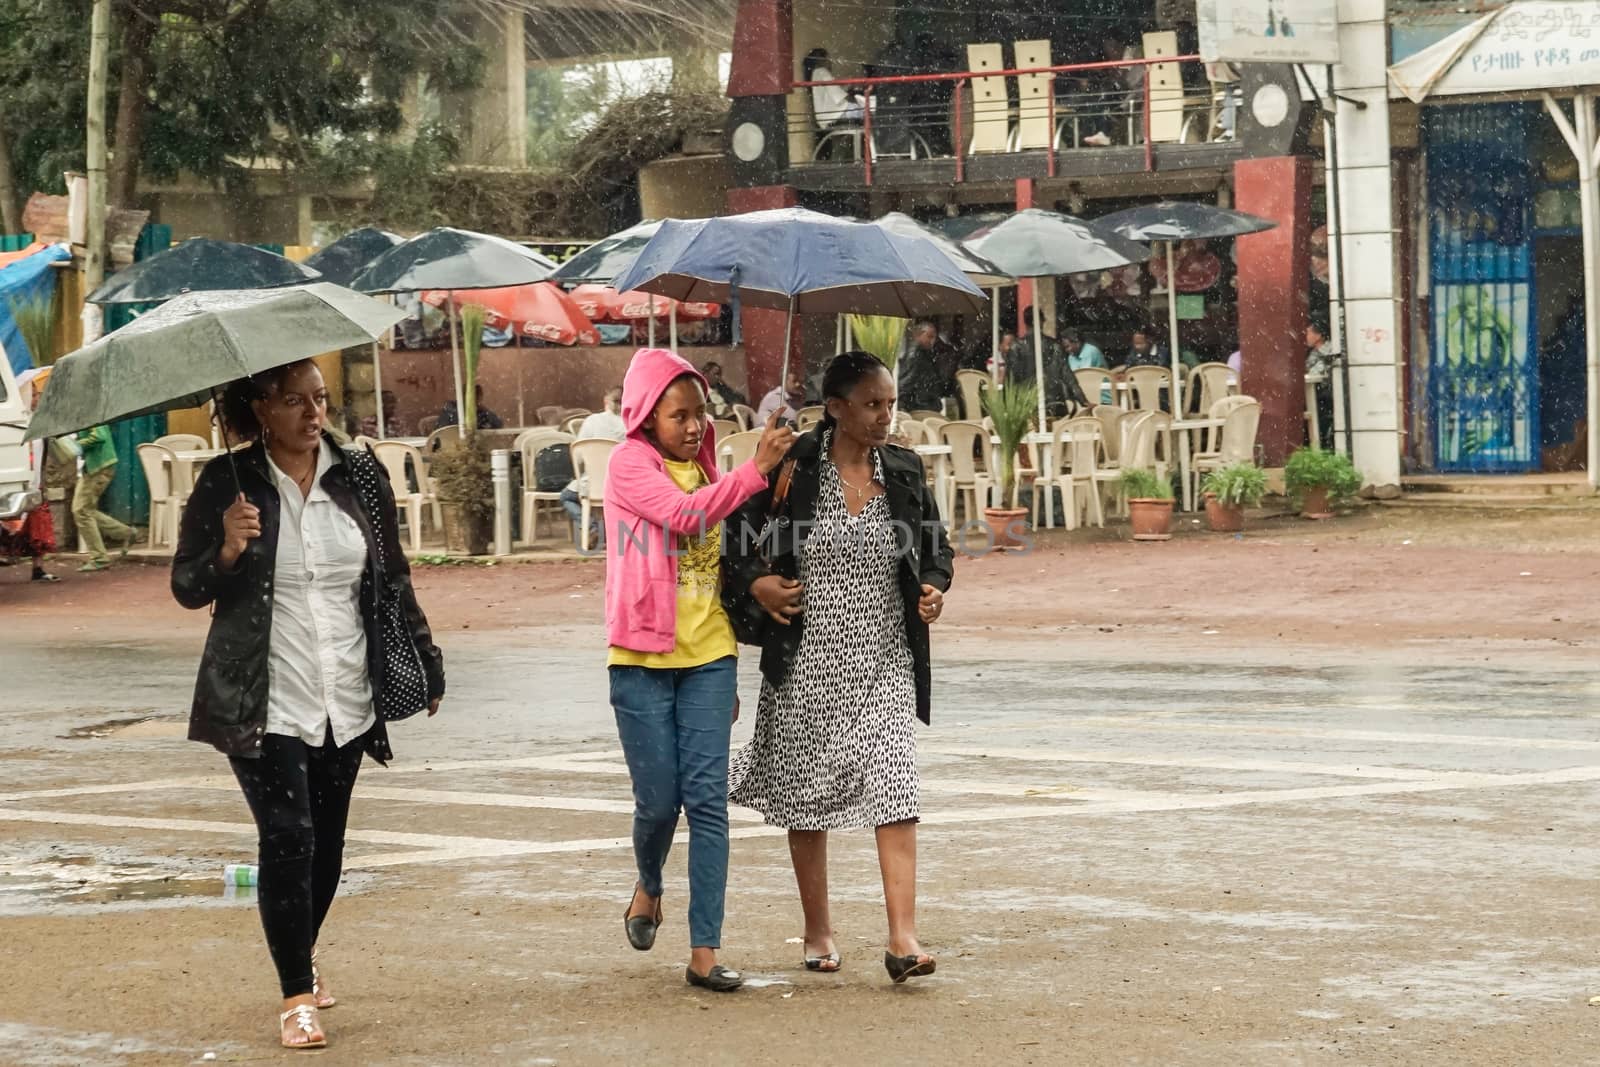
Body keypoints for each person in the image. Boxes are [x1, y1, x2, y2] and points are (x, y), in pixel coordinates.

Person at [171, 358, 445, 1051]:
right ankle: (296, 995)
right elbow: (187, 586)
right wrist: (228, 549)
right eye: (293, 400)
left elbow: (392, 576)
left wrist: (426, 657)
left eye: (319, 398)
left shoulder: (359, 475)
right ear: (260, 408)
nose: (311, 412)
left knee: (325, 848)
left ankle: (299, 948)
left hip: (346, 691)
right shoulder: (225, 483)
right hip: (262, 696)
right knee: (287, 836)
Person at [726, 350, 954, 984]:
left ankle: (903, 938)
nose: (886, 415)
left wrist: (933, 588)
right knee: (809, 797)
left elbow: (935, 549)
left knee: (896, 786)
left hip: (883, 658)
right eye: (872, 404)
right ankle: (819, 927)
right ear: (836, 408)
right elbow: (736, 541)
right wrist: (760, 586)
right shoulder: (792, 468)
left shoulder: (903, 471)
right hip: (805, 658)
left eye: (890, 402)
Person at [603, 347, 796, 993]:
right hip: (642, 659)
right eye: (678, 414)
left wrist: (769, 477)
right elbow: (687, 515)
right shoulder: (629, 464)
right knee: (658, 801)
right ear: (646, 416)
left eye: (700, 413)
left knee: (707, 802)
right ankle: (650, 886)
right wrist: (753, 471)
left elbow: (729, 551)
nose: (692, 426)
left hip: (709, 656)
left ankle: (705, 949)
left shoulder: (712, 469)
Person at [0, 372, 58, 581]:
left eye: (37, 394)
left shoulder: (38, 423)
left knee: (38, 527)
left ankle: (38, 568)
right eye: (32, 395)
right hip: (18, 482)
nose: (36, 399)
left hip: (36, 482)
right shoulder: (16, 424)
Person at [561, 385, 627, 546]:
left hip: (592, 485)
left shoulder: (592, 421)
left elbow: (578, 457)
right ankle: (609, 532)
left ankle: (592, 528)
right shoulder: (631, 424)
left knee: (566, 496)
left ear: (606, 401)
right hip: (622, 485)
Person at [72, 423, 134, 572]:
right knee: (86, 510)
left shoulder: (87, 409)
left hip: (99, 465)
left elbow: (99, 436)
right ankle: (126, 533)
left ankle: (99, 558)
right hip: (97, 464)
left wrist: (75, 446)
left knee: (81, 511)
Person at [1008, 310, 1091, 415]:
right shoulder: (1054, 345)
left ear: (1025, 323)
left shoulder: (1016, 348)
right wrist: (1083, 401)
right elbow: (1068, 376)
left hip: (1026, 405)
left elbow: (1010, 380)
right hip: (1054, 405)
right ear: (1041, 322)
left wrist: (1008, 407)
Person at [898, 321, 956, 413]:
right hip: (921, 406)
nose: (932, 341)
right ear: (918, 335)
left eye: (934, 338)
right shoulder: (916, 356)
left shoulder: (926, 354)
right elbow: (908, 381)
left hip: (927, 403)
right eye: (929, 337)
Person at [1306, 320, 1335, 450]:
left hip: (1327, 392)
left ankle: (1320, 444)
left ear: (1318, 336)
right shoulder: (1313, 352)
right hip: (1316, 391)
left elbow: (1315, 373)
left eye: (1308, 333)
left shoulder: (1329, 351)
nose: (1306, 336)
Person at [437, 384, 503, 430]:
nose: (476, 399)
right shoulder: (451, 408)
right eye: (474, 396)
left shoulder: (481, 413)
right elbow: (443, 430)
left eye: (478, 397)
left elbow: (499, 424)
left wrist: (485, 410)